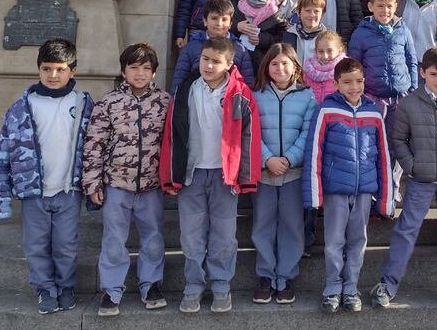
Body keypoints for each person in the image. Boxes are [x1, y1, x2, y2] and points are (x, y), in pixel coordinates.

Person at [0, 39, 94, 315]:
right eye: (47, 69)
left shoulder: (83, 104)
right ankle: (45, 288)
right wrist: (0, 199)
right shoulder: (22, 107)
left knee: (66, 244)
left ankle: (66, 285)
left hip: (68, 190)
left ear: (73, 71)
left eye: (60, 69)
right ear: (38, 69)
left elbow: (96, 147)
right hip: (34, 191)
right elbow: (3, 152)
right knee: (35, 244)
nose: (53, 75)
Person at [160, 37, 262, 315]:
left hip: (224, 176)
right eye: (205, 59)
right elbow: (172, 133)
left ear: (229, 64)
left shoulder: (240, 93)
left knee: (224, 236)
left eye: (216, 61)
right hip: (191, 175)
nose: (208, 65)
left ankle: (220, 285)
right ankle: (193, 286)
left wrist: (245, 176)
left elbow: (249, 138)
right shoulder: (185, 89)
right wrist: (169, 174)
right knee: (191, 237)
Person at [370, 48, 437, 308]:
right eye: (433, 75)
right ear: (422, 73)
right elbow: (398, 140)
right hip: (420, 180)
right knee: (406, 231)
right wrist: (412, 166)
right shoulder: (409, 103)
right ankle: (389, 282)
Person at [82, 44, 170, 317]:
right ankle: (111, 289)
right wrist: (92, 182)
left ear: (154, 72)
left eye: (146, 68)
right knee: (113, 239)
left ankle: (151, 284)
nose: (140, 73)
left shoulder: (165, 102)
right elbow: (94, 144)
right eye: (133, 67)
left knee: (153, 238)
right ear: (123, 71)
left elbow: (173, 143)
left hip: (151, 186)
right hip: (116, 185)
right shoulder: (108, 104)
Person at [303, 58, 394, 314]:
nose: (354, 87)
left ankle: (351, 288)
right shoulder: (325, 110)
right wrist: (314, 192)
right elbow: (314, 152)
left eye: (359, 81)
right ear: (336, 84)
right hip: (335, 190)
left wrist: (386, 197)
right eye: (347, 82)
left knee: (358, 240)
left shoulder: (373, 112)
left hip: (364, 190)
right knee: (333, 241)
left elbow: (383, 155)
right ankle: (332, 287)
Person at [250, 44, 318, 305]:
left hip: (293, 173)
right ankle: (266, 276)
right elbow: (251, 131)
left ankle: (285, 277)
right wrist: (267, 159)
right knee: (262, 226)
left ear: (295, 67)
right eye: (274, 63)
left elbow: (307, 133)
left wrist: (289, 159)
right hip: (264, 174)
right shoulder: (256, 95)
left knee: (292, 225)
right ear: (267, 67)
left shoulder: (307, 96)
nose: (280, 68)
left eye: (285, 63)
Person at [347, 0, 418, 115]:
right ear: (370, 7)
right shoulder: (361, 33)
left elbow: (411, 60)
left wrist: (413, 88)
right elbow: (354, 65)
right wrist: (360, 91)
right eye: (380, 6)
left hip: (401, 96)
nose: (385, 10)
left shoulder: (403, 30)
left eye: (389, 6)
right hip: (373, 96)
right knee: (375, 133)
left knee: (398, 134)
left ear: (396, 7)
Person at [172, 0, 255, 92]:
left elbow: (247, 84)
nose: (219, 23)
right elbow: (179, 81)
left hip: (229, 102)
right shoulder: (191, 48)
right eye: (214, 18)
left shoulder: (240, 49)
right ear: (205, 21)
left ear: (231, 23)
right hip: (196, 101)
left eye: (224, 19)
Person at [232, 0, 289, 72]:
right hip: (236, 62)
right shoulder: (234, 10)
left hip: (262, 65)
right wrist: (235, 27)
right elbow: (221, 29)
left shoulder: (276, 16)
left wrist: (262, 39)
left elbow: (281, 40)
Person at [283, 0, 327, 65]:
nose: (312, 15)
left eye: (316, 11)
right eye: (307, 11)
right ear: (299, 12)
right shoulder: (289, 35)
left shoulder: (328, 38)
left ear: (322, 13)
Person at [302, 30, 346, 104]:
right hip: (312, 114)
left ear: (339, 50)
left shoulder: (346, 69)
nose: (325, 56)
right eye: (321, 51)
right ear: (316, 51)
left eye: (330, 51)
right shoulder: (308, 71)